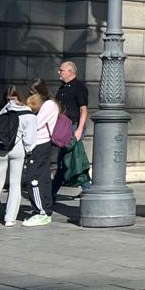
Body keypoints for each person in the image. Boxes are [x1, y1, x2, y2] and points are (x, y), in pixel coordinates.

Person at [0, 87, 34, 227]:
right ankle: (10, 219)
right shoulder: (28, 113)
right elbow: (30, 139)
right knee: (15, 184)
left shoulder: (3, 110)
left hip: (1, 149)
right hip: (18, 149)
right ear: (20, 97)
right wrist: (28, 150)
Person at [23, 80, 60, 226]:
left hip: (40, 143)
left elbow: (35, 124)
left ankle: (41, 212)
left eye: (33, 93)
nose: (31, 95)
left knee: (34, 179)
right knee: (43, 178)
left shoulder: (49, 105)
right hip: (42, 143)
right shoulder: (50, 104)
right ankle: (45, 210)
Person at [53, 60, 90, 199]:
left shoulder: (79, 87)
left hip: (73, 126)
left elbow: (83, 109)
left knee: (69, 159)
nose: (59, 72)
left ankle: (51, 193)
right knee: (70, 159)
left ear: (70, 71)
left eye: (61, 70)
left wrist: (79, 130)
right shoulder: (62, 88)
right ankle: (87, 189)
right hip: (63, 128)